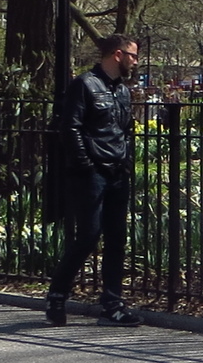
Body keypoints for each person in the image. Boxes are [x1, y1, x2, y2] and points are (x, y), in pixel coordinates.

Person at [51, 33, 142, 326]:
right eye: (132, 55)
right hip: (92, 173)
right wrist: (86, 165)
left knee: (117, 238)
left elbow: (126, 130)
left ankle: (112, 303)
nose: (135, 62)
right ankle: (57, 294)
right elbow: (70, 128)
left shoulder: (123, 91)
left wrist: (126, 162)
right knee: (88, 236)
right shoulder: (85, 84)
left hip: (117, 171)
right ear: (117, 54)